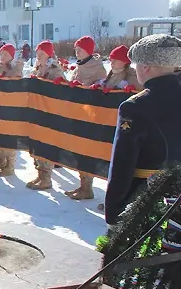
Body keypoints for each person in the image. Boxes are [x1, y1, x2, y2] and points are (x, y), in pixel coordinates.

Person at [105, 35, 181, 224]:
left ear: (145, 67)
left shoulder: (134, 107)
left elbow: (123, 163)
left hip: (148, 200)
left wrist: (114, 210)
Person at [66, 36, 106, 200]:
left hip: (90, 116)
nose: (77, 52)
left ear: (88, 50)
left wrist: (91, 88)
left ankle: (87, 187)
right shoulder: (78, 66)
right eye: (76, 50)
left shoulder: (97, 68)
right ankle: (83, 185)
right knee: (78, 150)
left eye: (80, 49)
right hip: (77, 113)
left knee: (86, 151)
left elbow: (102, 87)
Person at [25, 41, 66, 190]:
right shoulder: (38, 67)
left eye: (41, 54)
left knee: (46, 145)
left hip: (49, 113)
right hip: (37, 111)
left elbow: (62, 88)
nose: (38, 56)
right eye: (37, 53)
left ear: (48, 54)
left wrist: (57, 83)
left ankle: (46, 178)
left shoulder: (55, 69)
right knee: (37, 144)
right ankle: (40, 174)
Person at [0, 43, 24, 176]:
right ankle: (1, 162)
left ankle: (9, 166)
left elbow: (16, 80)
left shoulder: (16, 67)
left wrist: (5, 78)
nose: (2, 56)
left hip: (11, 107)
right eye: (1, 54)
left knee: (9, 135)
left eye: (5, 54)